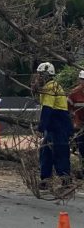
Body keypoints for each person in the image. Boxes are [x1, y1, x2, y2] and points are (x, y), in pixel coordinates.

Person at [35, 61, 73, 190]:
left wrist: (41, 126)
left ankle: (65, 180)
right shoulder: (52, 86)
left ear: (46, 75)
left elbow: (47, 109)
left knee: (59, 152)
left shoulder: (50, 88)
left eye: (40, 75)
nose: (38, 77)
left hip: (58, 125)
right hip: (54, 125)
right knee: (46, 152)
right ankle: (45, 179)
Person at [68, 69, 84, 178]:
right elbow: (68, 109)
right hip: (79, 127)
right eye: (82, 79)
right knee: (82, 149)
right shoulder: (74, 93)